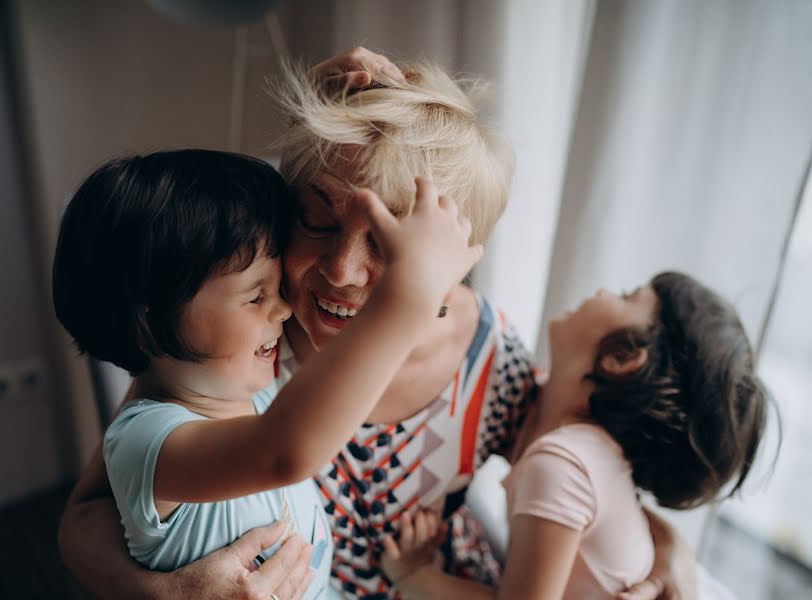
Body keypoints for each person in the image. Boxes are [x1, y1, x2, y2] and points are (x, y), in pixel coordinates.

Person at [57, 48, 697, 600]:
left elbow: (575, 466)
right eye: (318, 220)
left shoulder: (489, 358)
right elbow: (89, 510)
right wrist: (158, 592)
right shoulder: (236, 349)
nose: (340, 270)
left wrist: (669, 546)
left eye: (390, 244)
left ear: (451, 259)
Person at [52, 149, 480, 598]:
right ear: (150, 321)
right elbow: (284, 452)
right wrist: (407, 296)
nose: (282, 308)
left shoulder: (244, 383)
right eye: (255, 297)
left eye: (276, 288)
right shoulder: (146, 445)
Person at [380, 272, 772, 599]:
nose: (603, 290)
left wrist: (413, 574)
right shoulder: (582, 452)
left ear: (623, 358)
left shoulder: (563, 463)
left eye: (625, 296)